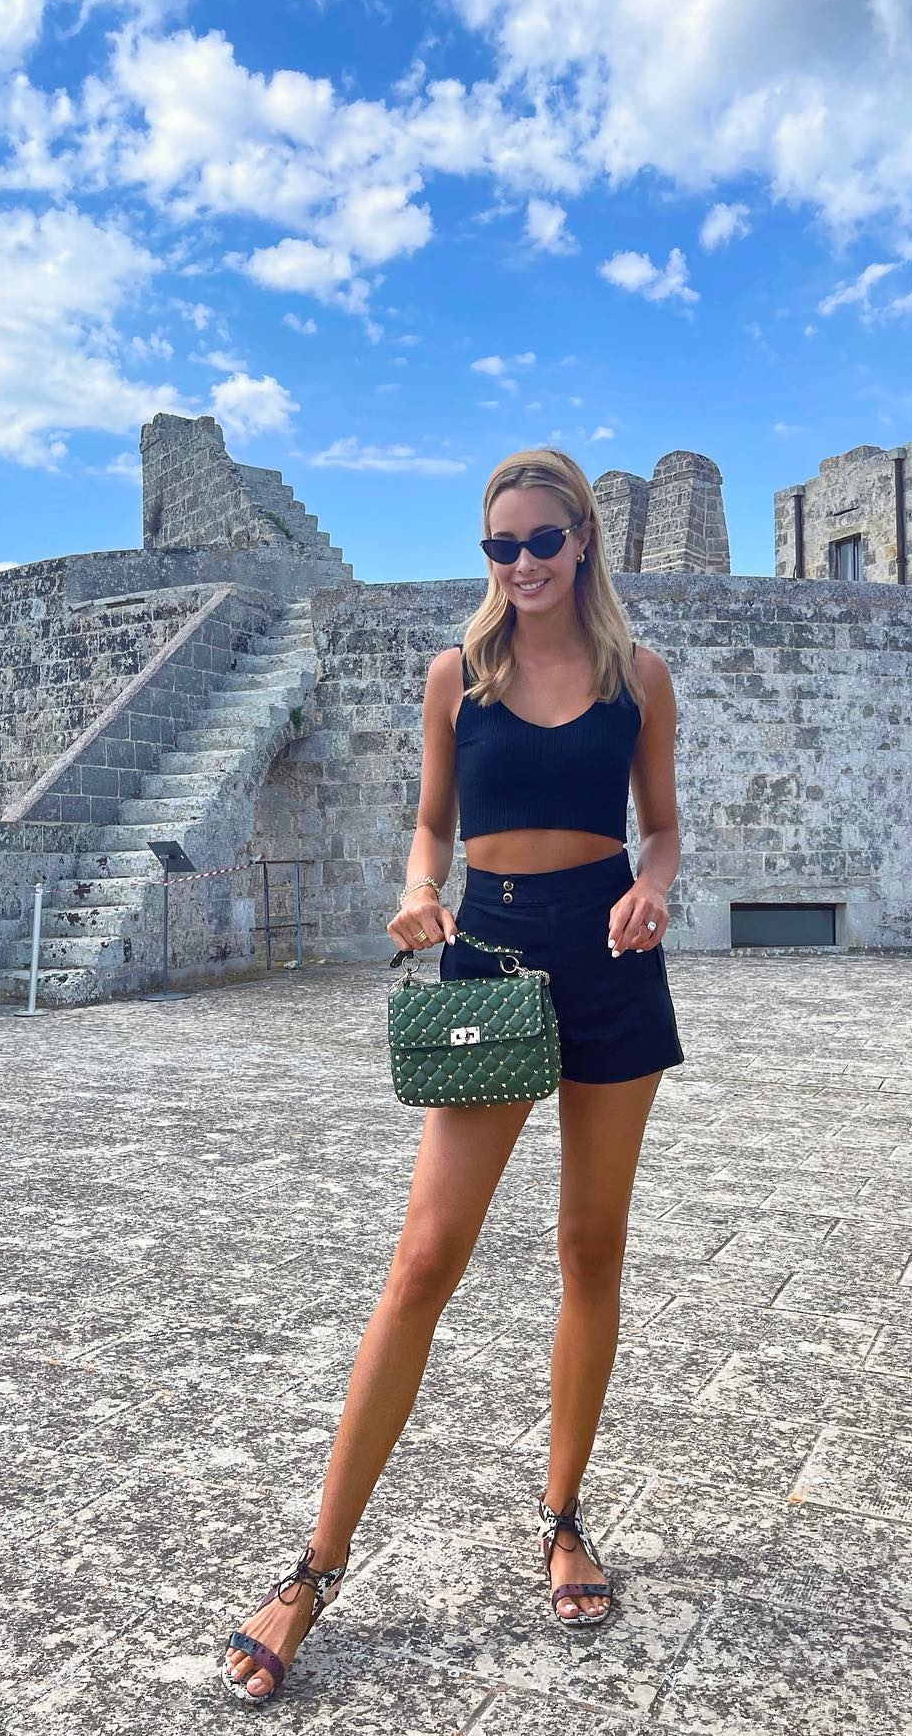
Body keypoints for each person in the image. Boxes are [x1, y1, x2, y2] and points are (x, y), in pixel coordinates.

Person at [221, 446, 685, 1704]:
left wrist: (654, 885)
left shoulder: (638, 676)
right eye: (500, 545)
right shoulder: (457, 676)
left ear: (583, 541)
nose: (521, 563)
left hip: (611, 956)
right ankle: (315, 1565)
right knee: (425, 1258)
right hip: (488, 956)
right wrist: (418, 885)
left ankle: (564, 1515)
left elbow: (661, 826)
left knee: (590, 1248)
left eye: (542, 540)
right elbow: (433, 823)